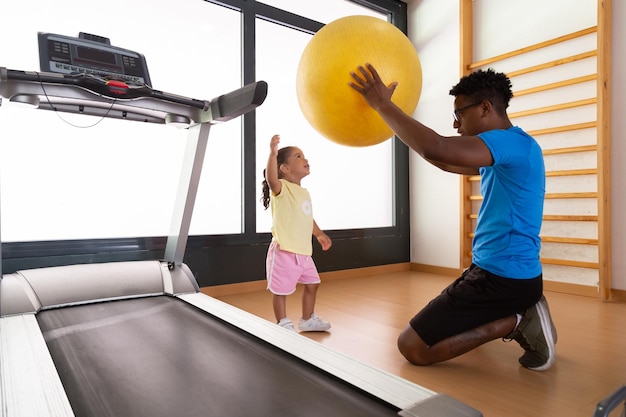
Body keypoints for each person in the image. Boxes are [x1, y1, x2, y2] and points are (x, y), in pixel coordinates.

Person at [349, 64, 557, 371]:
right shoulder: (507, 150)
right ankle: (517, 311)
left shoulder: (512, 144)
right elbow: (444, 161)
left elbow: (438, 148)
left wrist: (382, 104)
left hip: (504, 280)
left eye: (460, 113)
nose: (456, 123)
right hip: (496, 273)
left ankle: (517, 320)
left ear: (485, 108)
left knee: (413, 347)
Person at [261, 134, 333, 333]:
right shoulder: (281, 188)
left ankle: (307, 319)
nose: (305, 159)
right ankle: (283, 321)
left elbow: (307, 218)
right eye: (298, 156)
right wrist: (272, 153)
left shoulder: (304, 193)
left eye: (304, 155)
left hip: (303, 252)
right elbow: (271, 178)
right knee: (281, 290)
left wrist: (319, 235)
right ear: (284, 168)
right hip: (284, 251)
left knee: (313, 284)